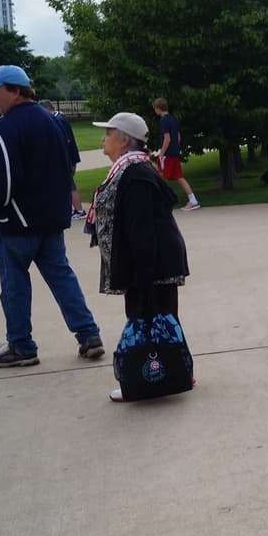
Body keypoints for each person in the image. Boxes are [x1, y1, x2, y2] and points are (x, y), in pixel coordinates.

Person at [0, 64, 104, 367]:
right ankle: (88, 335)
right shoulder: (51, 121)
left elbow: (2, 179)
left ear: (15, 91)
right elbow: (67, 167)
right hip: (51, 219)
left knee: (14, 286)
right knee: (62, 277)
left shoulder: (6, 127)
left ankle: (21, 345)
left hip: (17, 224)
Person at [87, 113, 190, 401]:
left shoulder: (134, 175)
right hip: (154, 263)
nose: (103, 140)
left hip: (152, 266)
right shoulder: (133, 170)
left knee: (148, 320)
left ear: (123, 139)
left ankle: (147, 379)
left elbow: (142, 230)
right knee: (164, 319)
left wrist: (141, 277)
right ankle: (176, 370)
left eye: (108, 134)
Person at [40, 99, 86, 220]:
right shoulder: (60, 117)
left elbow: (65, 141)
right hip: (69, 157)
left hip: (66, 158)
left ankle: (79, 210)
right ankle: (72, 209)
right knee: (66, 184)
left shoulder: (57, 120)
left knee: (69, 184)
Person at [152, 98, 200, 211]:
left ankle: (161, 202)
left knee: (161, 177)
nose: (155, 111)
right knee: (179, 177)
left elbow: (167, 139)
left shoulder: (163, 120)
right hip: (174, 153)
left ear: (158, 108)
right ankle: (193, 200)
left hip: (168, 154)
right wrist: (175, 149)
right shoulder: (173, 119)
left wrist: (162, 154)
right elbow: (178, 137)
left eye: (155, 109)